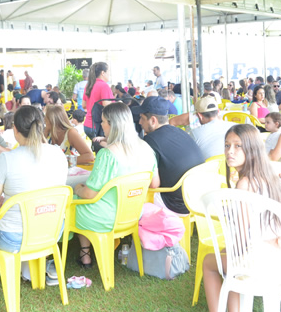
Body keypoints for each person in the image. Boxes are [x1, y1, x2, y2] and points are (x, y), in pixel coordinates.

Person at [202, 123, 281, 312]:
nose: (230, 151)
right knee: (230, 257)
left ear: (251, 149)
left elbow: (240, 237)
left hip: (259, 263)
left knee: (210, 263)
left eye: (237, 146)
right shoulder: (269, 178)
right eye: (227, 145)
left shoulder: (245, 183)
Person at [0, 106, 68, 290]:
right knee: (5, 225)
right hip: (52, 230)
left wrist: (1, 204)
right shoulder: (58, 154)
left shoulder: (7, 159)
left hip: (14, 237)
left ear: (15, 130)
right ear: (43, 126)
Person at [73, 102, 159, 267]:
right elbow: (155, 183)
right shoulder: (147, 148)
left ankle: (85, 254)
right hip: (134, 213)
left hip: (106, 217)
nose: (101, 125)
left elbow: (89, 194)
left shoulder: (107, 154)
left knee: (74, 201)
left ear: (112, 124)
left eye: (103, 121)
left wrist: (78, 188)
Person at [140, 96, 204, 215]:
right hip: (198, 199)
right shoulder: (181, 132)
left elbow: (153, 184)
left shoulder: (150, 140)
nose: (140, 122)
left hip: (177, 205)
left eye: (142, 118)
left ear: (153, 120)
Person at [189, 95, 233, 160]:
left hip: (210, 166)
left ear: (200, 115)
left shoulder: (194, 133)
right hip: (234, 165)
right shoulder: (235, 126)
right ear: (218, 111)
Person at [83, 62, 115, 140]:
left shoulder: (88, 85)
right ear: (103, 73)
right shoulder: (104, 86)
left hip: (87, 125)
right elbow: (107, 107)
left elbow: (84, 105)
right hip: (98, 126)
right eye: (109, 71)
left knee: (95, 145)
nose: (109, 74)